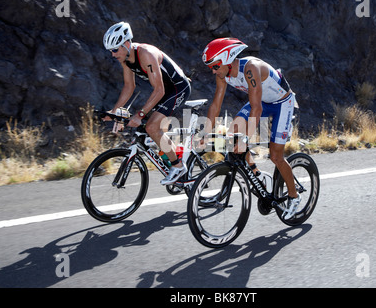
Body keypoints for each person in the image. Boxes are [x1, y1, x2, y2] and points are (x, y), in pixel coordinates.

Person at [201, 37, 301, 217]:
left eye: (215, 66)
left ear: (226, 59)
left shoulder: (250, 69)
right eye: (210, 68)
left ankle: (294, 197)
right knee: (232, 137)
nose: (213, 71)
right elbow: (215, 105)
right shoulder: (223, 74)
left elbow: (257, 108)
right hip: (261, 100)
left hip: (282, 102)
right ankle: (257, 174)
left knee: (276, 156)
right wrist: (206, 132)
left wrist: (246, 139)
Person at [103, 22, 191, 185]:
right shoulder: (126, 59)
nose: (113, 54)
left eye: (115, 49)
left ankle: (178, 166)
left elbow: (159, 91)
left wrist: (139, 115)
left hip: (178, 88)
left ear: (126, 44)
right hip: (164, 91)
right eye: (111, 51)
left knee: (151, 126)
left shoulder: (146, 54)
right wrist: (114, 111)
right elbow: (129, 87)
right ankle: (171, 153)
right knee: (149, 129)